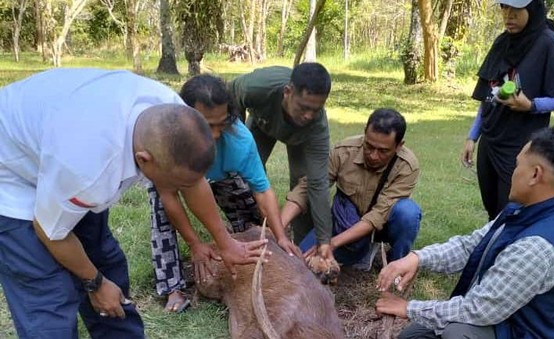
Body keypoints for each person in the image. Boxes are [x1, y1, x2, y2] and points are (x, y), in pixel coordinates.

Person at [0, 68, 266, 338]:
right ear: (144, 159)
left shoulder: (174, 114)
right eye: (176, 181)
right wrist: (95, 283)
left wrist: (225, 242)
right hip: (10, 175)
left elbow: (194, 181)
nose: (182, 187)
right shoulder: (90, 171)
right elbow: (50, 231)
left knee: (106, 263)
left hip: (55, 145)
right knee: (49, 297)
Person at [377, 126, 554, 339]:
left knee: (457, 333)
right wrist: (417, 258)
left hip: (516, 331)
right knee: (413, 336)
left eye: (517, 165)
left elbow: (478, 309)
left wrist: (409, 308)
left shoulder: (537, 248)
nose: (513, 172)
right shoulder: (530, 209)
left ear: (534, 174)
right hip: (504, 320)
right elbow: (472, 245)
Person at [149, 74, 300, 313]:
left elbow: (263, 191)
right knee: (161, 213)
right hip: (175, 181)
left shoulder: (239, 139)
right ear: (184, 117)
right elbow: (170, 197)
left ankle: (239, 252)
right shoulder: (167, 142)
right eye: (206, 126)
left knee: (247, 206)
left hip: (220, 177)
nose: (216, 134)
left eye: (222, 123)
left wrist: (281, 236)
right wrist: (195, 244)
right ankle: (172, 287)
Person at [460, 0, 554, 220]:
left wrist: (531, 106)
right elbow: (488, 93)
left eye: (516, 9)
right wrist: (473, 136)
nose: (508, 15)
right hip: (491, 140)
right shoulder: (502, 42)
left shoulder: (550, 44)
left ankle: (507, 251)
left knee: (511, 210)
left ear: (532, 9)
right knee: (492, 208)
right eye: (504, 7)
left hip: (520, 145)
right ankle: (493, 250)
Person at [281, 108, 421, 272]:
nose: (373, 156)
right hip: (345, 219)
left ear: (399, 146)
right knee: (301, 260)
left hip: (383, 224)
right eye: (369, 146)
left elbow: (378, 216)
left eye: (383, 151)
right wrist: (279, 226)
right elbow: (309, 187)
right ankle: (361, 252)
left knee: (407, 213)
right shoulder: (343, 152)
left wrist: (332, 243)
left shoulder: (407, 166)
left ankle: (397, 265)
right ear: (364, 134)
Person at [229, 63, 335, 262]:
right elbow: (231, 94)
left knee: (302, 183)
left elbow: (318, 183)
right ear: (288, 92)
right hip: (264, 122)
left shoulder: (316, 126)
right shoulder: (258, 87)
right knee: (243, 175)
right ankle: (250, 233)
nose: (308, 115)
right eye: (304, 107)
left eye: (316, 109)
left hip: (301, 137)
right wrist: (238, 138)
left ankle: (301, 246)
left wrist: (324, 240)